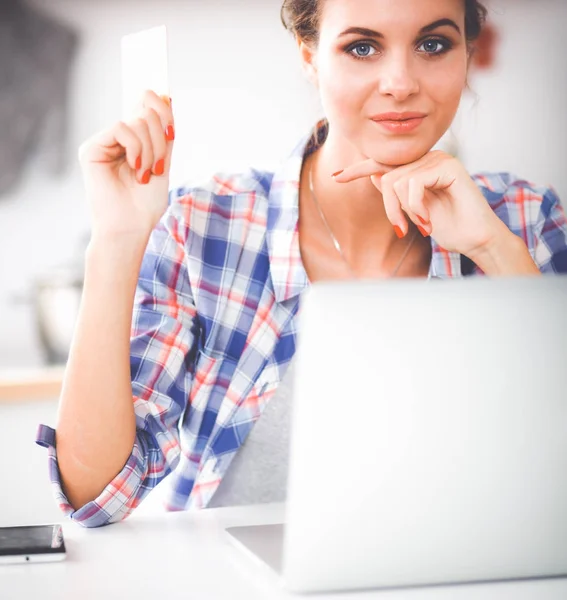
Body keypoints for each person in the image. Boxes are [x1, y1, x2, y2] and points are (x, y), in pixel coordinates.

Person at [36, 0, 567, 527]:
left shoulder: (524, 220)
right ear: (309, 56)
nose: (400, 82)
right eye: (362, 47)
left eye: (433, 44)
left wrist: (494, 250)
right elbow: (95, 495)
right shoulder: (206, 226)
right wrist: (116, 238)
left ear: (468, 51)